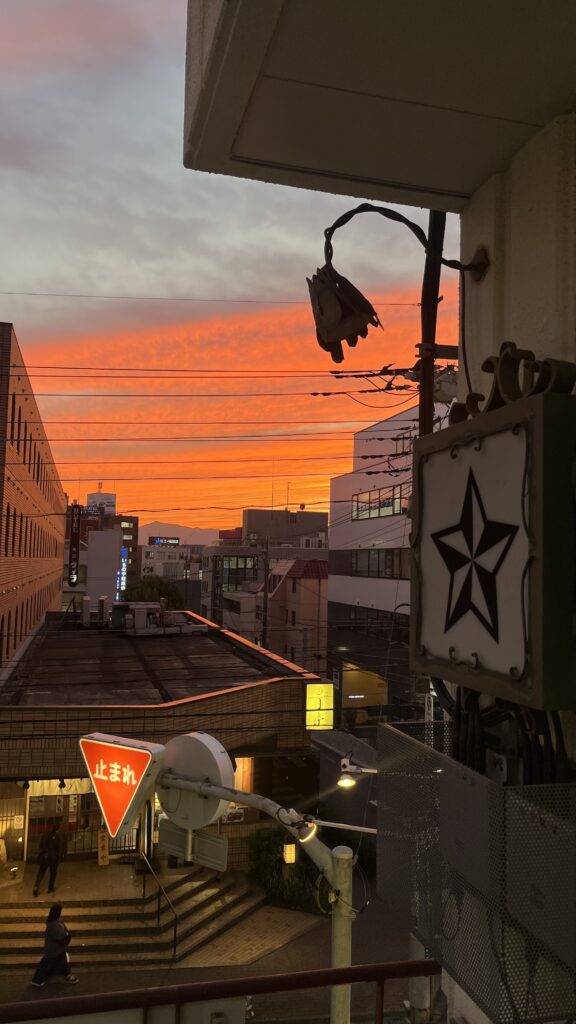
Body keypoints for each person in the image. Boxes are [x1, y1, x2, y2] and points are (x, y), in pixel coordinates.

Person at [31, 904, 78, 987]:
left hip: (56, 949)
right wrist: (67, 935)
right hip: (54, 949)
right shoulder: (54, 925)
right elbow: (60, 936)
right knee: (46, 963)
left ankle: (67, 975)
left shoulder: (54, 922)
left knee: (61, 962)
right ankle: (37, 980)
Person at [33, 822, 65, 897]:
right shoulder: (57, 837)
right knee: (53, 873)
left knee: (41, 873)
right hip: (53, 858)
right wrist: (59, 858)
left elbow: (40, 845)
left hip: (44, 857)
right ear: (58, 829)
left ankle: (36, 887)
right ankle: (50, 888)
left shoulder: (45, 835)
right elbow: (59, 849)